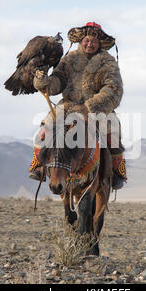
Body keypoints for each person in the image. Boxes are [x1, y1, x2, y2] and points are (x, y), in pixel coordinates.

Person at [29, 21, 127, 190]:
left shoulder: (108, 63)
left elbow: (113, 88)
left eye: (94, 41)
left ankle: (118, 172)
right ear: (82, 40)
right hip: (68, 106)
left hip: (98, 108)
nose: (90, 44)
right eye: (87, 40)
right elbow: (58, 80)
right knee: (45, 127)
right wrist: (45, 82)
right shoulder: (69, 59)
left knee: (113, 130)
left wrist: (92, 105)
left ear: (99, 43)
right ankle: (38, 165)